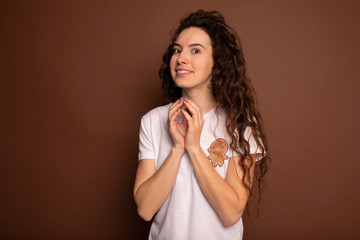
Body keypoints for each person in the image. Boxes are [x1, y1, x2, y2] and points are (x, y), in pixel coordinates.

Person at [133, 10, 270, 240]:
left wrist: (194, 147)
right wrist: (177, 148)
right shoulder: (152, 121)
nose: (181, 58)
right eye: (177, 50)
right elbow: (145, 209)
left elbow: (231, 213)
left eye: (195, 50)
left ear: (217, 63)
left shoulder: (241, 123)